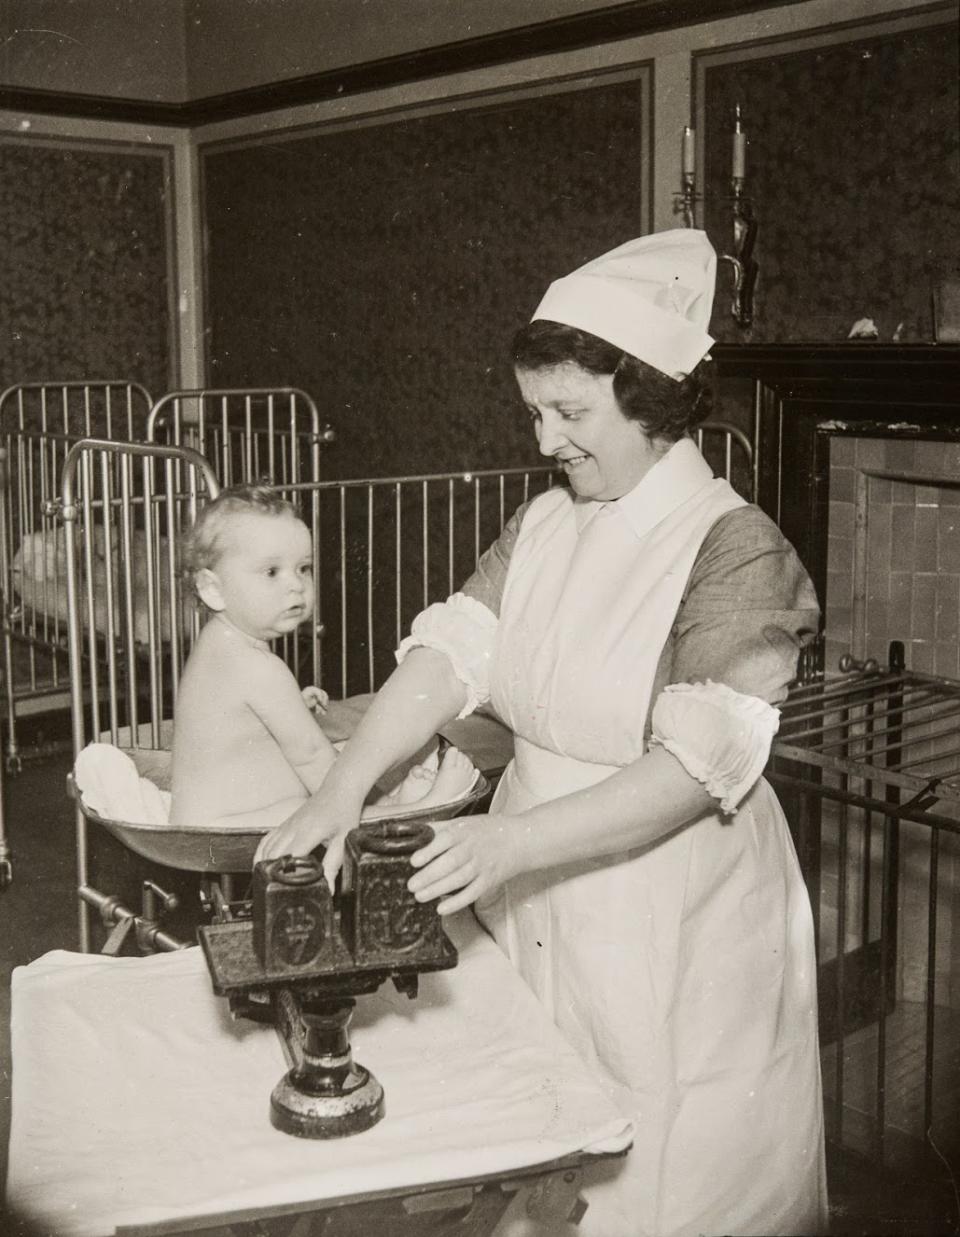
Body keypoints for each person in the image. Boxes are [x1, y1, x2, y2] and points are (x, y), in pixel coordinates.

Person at [257, 231, 827, 1236]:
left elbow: (697, 770)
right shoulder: (546, 522)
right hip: (528, 874)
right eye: (534, 411)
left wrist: (509, 842)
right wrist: (339, 788)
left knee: (666, 1162)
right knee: (540, 1146)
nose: (546, 438)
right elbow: (449, 656)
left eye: (571, 412)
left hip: (671, 889)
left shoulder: (738, 549)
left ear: (649, 401)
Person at [170, 485, 474, 831]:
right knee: (321, 804)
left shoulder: (218, 642)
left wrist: (291, 704)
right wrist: (369, 797)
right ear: (213, 589)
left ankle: (388, 804)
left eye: (303, 568)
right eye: (271, 571)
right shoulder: (258, 667)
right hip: (225, 824)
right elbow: (310, 755)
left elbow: (232, 721)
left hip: (204, 814)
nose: (296, 585)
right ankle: (400, 810)